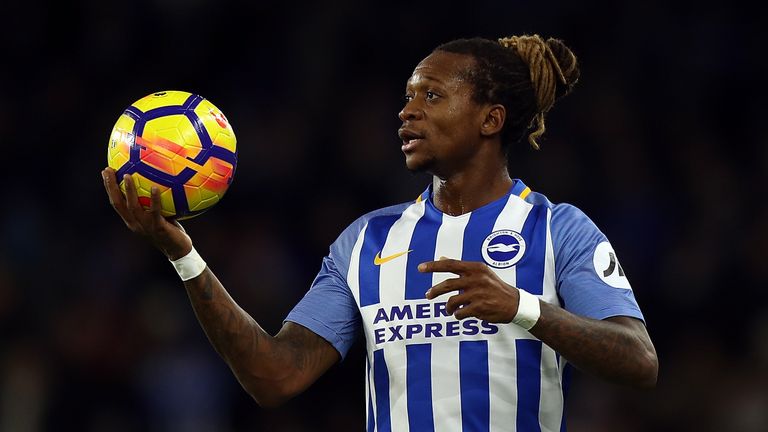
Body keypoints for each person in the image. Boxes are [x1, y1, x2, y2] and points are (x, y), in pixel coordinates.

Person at [102, 34, 658, 431]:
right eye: (408, 97)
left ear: (490, 119)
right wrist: (183, 255)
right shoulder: (367, 241)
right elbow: (275, 376)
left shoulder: (558, 229)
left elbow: (639, 361)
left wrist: (522, 308)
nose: (406, 113)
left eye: (431, 97)